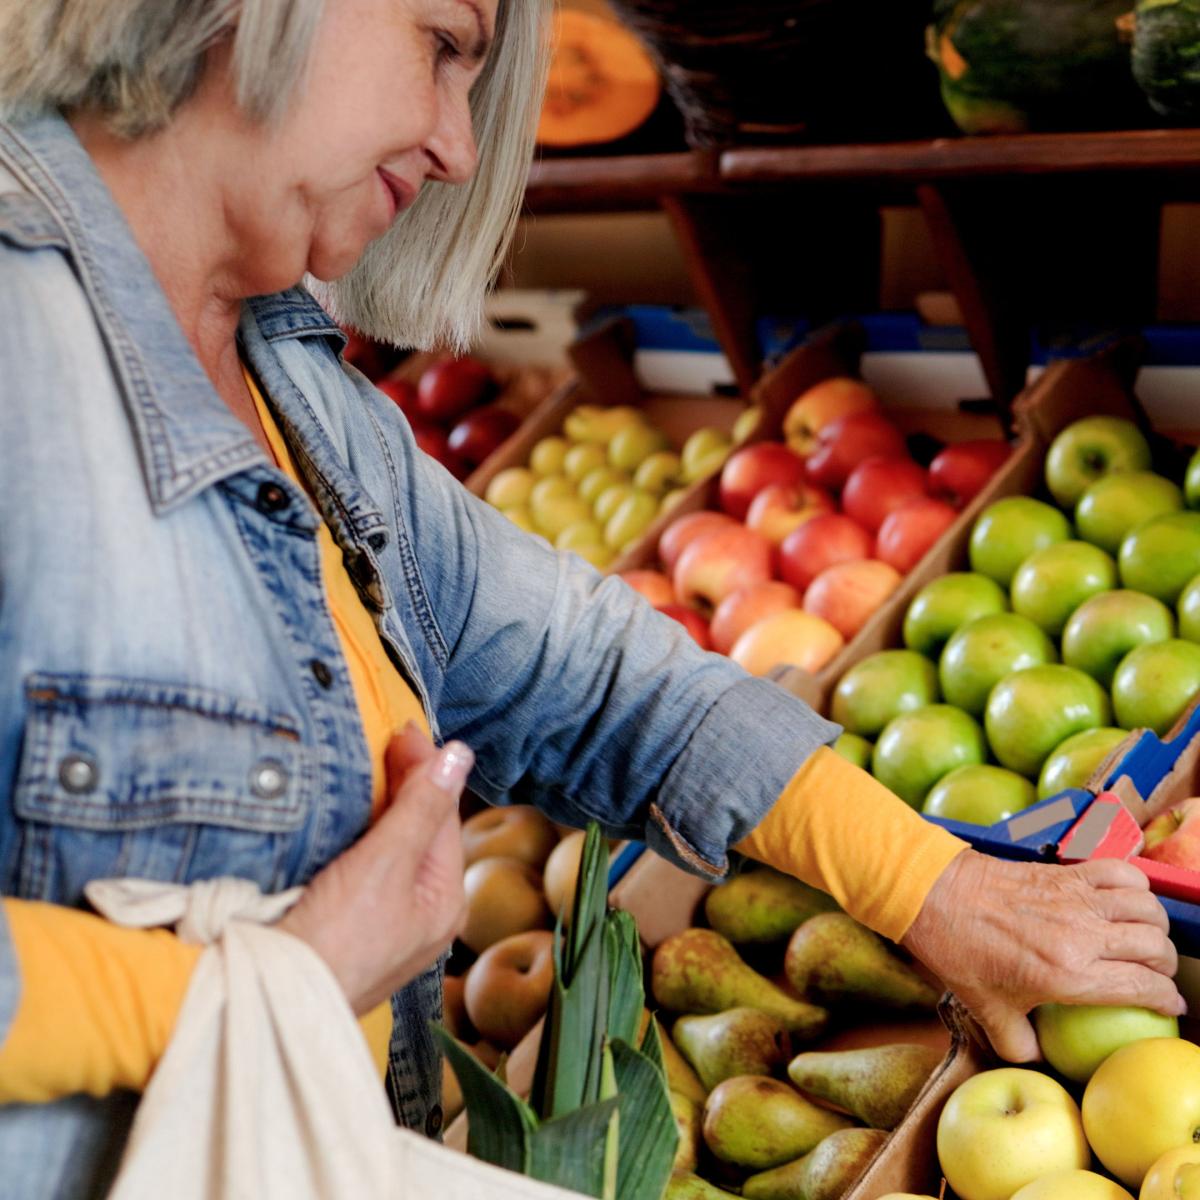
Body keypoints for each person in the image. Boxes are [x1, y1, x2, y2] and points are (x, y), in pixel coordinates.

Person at [0, 1, 1182, 1196]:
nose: (460, 148)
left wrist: (940, 887)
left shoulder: (310, 405)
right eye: (446, 45)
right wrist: (281, 990)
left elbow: (594, 675)